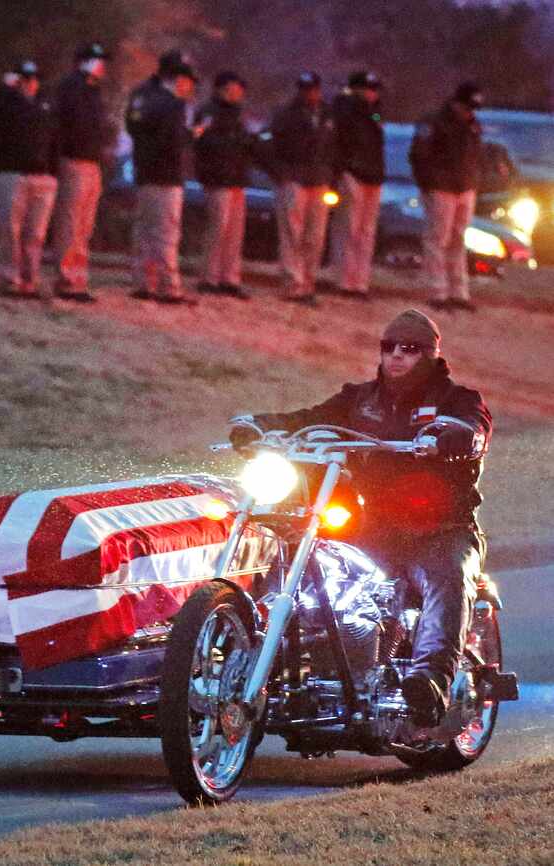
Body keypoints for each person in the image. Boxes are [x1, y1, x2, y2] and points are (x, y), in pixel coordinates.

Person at [229, 308, 492, 727]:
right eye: (388, 347)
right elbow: (307, 419)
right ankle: (302, 672)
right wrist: (259, 427)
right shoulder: (359, 399)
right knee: (324, 575)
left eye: (408, 349)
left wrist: (455, 438)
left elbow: (472, 428)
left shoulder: (456, 399)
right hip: (376, 528)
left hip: (443, 530)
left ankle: (431, 681)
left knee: (446, 581)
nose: (396, 357)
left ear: (428, 354)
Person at [0, 60, 59, 299]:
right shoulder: (6, 103)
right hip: (12, 174)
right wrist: (4, 87)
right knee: (10, 231)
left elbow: (55, 138)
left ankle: (29, 280)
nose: (31, 83)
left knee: (35, 234)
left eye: (34, 78)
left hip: (42, 177)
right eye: (25, 79)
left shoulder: (45, 105)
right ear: (17, 80)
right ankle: (9, 279)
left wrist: (53, 173)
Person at [127, 59, 200, 304]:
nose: (190, 88)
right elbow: (172, 141)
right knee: (167, 233)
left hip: (145, 173)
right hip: (167, 177)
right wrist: (190, 136)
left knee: (144, 230)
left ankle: (143, 283)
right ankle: (169, 286)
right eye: (189, 82)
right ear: (179, 79)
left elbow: (134, 128)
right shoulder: (173, 104)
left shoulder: (143, 97)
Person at [409, 82, 483, 313]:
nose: (470, 112)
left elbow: (475, 154)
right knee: (437, 239)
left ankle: (459, 291)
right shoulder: (434, 121)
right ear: (456, 103)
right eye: (467, 107)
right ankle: (437, 291)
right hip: (441, 187)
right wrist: (428, 183)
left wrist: (473, 181)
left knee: (458, 239)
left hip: (464, 186)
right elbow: (419, 155)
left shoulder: (472, 125)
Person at [270, 72, 337, 306]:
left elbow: (334, 146)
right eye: (306, 89)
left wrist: (330, 173)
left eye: (314, 89)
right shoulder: (286, 114)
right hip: (294, 177)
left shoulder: (327, 114)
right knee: (292, 234)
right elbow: (276, 146)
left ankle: (308, 282)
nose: (310, 94)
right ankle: (292, 283)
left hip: (318, 179)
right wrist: (281, 174)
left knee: (315, 237)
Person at [52, 42, 110, 302]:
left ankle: (78, 277)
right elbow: (66, 123)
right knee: (71, 222)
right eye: (97, 60)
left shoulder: (93, 91)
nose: (102, 66)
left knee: (84, 225)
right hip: (73, 160)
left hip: (91, 161)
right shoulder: (71, 87)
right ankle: (66, 279)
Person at [194, 71, 253, 300]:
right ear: (222, 89)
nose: (239, 92)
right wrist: (231, 142)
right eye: (234, 88)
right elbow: (202, 141)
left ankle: (229, 277)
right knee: (218, 228)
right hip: (218, 178)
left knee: (235, 231)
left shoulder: (238, 115)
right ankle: (209, 277)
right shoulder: (209, 112)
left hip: (237, 178)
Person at [329, 71, 384, 300]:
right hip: (352, 172)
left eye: (374, 89)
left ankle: (360, 282)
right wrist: (341, 169)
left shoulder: (374, 113)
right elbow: (338, 142)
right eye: (367, 89)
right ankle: (344, 280)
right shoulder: (345, 110)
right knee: (348, 229)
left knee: (366, 231)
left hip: (372, 174)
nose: (372, 93)